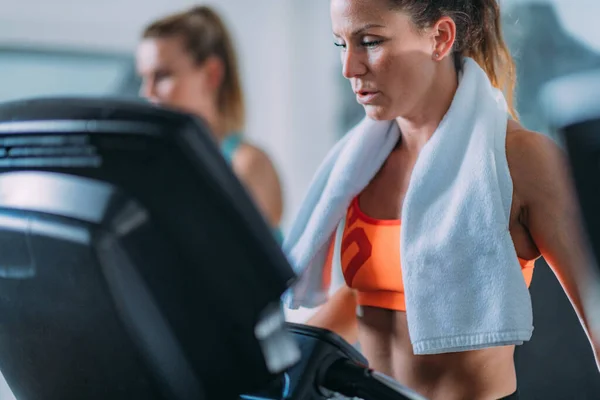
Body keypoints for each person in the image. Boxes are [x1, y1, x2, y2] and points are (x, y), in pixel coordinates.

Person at [283, 0, 600, 399]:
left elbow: (599, 315)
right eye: (341, 44)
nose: (350, 68)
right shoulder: (359, 166)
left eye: (370, 41)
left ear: (440, 38)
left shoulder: (522, 161)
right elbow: (373, 293)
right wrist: (270, 355)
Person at [136, 6, 284, 239]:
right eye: (144, 78)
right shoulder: (161, 168)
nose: (147, 92)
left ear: (211, 74)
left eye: (162, 76)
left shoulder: (248, 166)